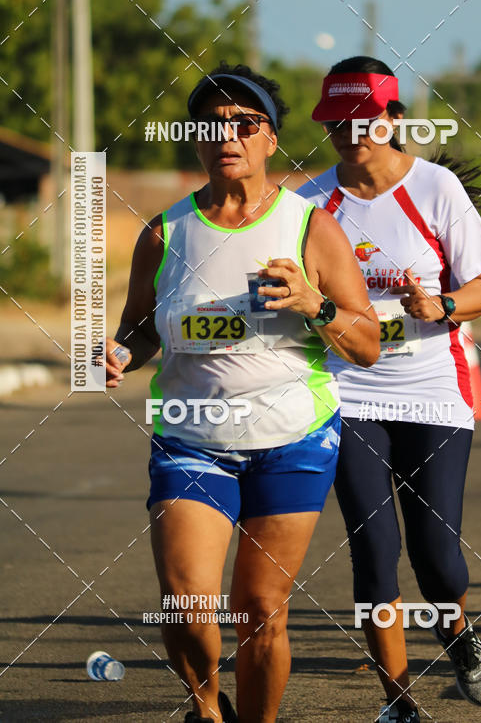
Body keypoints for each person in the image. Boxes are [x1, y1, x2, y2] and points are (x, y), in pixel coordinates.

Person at [103, 63, 379, 723]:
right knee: (187, 601)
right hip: (192, 441)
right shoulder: (163, 234)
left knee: (260, 611)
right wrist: (117, 354)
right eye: (212, 123)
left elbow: (368, 343)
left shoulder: (310, 228)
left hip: (293, 440)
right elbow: (139, 334)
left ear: (271, 140)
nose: (228, 134)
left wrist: (315, 304)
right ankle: (206, 705)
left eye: (245, 122)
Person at [298, 56, 481, 722]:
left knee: (438, 557)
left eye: (365, 119)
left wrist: (440, 305)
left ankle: (454, 629)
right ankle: (401, 703)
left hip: (434, 390)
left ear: (393, 119)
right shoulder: (309, 203)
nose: (351, 132)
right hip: (349, 394)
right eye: (337, 121)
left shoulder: (436, 190)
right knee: (374, 551)